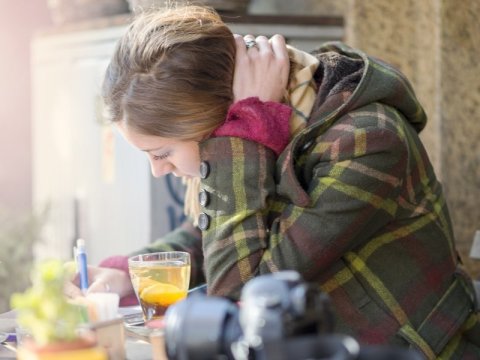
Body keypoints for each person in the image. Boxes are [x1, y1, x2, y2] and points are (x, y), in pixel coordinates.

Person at [65, 5, 480, 358]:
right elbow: (214, 231)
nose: (159, 170)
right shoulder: (288, 117)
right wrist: (127, 273)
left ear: (221, 117)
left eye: (162, 153)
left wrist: (247, 129)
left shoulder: (365, 142)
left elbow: (243, 289)